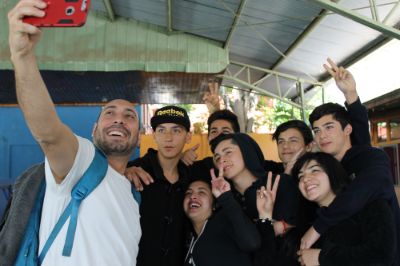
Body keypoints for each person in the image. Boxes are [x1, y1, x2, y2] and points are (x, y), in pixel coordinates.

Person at [2, 1, 141, 265]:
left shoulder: (133, 194)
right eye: (109, 113)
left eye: (129, 116)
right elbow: (49, 134)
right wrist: (22, 58)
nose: (119, 120)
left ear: (138, 134)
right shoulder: (82, 161)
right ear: (93, 130)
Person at [301, 60, 400, 266]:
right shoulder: (331, 169)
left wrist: (319, 227)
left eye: (329, 127)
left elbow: (364, 175)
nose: (322, 135)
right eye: (317, 130)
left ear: (347, 130)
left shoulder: (372, 161)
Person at [210, 133, 303, 264]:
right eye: (217, 157)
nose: (221, 160)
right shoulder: (225, 199)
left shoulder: (279, 183)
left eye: (228, 152)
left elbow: (298, 229)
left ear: (246, 150)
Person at [293, 152, 396, 266]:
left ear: (332, 172)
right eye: (300, 176)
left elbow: (381, 255)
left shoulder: (370, 205)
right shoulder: (308, 224)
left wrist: (322, 258)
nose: (305, 179)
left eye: (315, 170)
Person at [127, 105, 192, 266]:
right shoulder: (133, 172)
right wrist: (123, 172)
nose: (168, 138)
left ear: (188, 137)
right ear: (154, 135)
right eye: (161, 130)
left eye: (176, 131)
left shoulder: (191, 178)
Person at [183, 170, 260, 266]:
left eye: (201, 192)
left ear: (214, 204)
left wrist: (226, 197)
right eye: (188, 193)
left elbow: (252, 243)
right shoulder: (186, 238)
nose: (192, 196)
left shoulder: (224, 221)